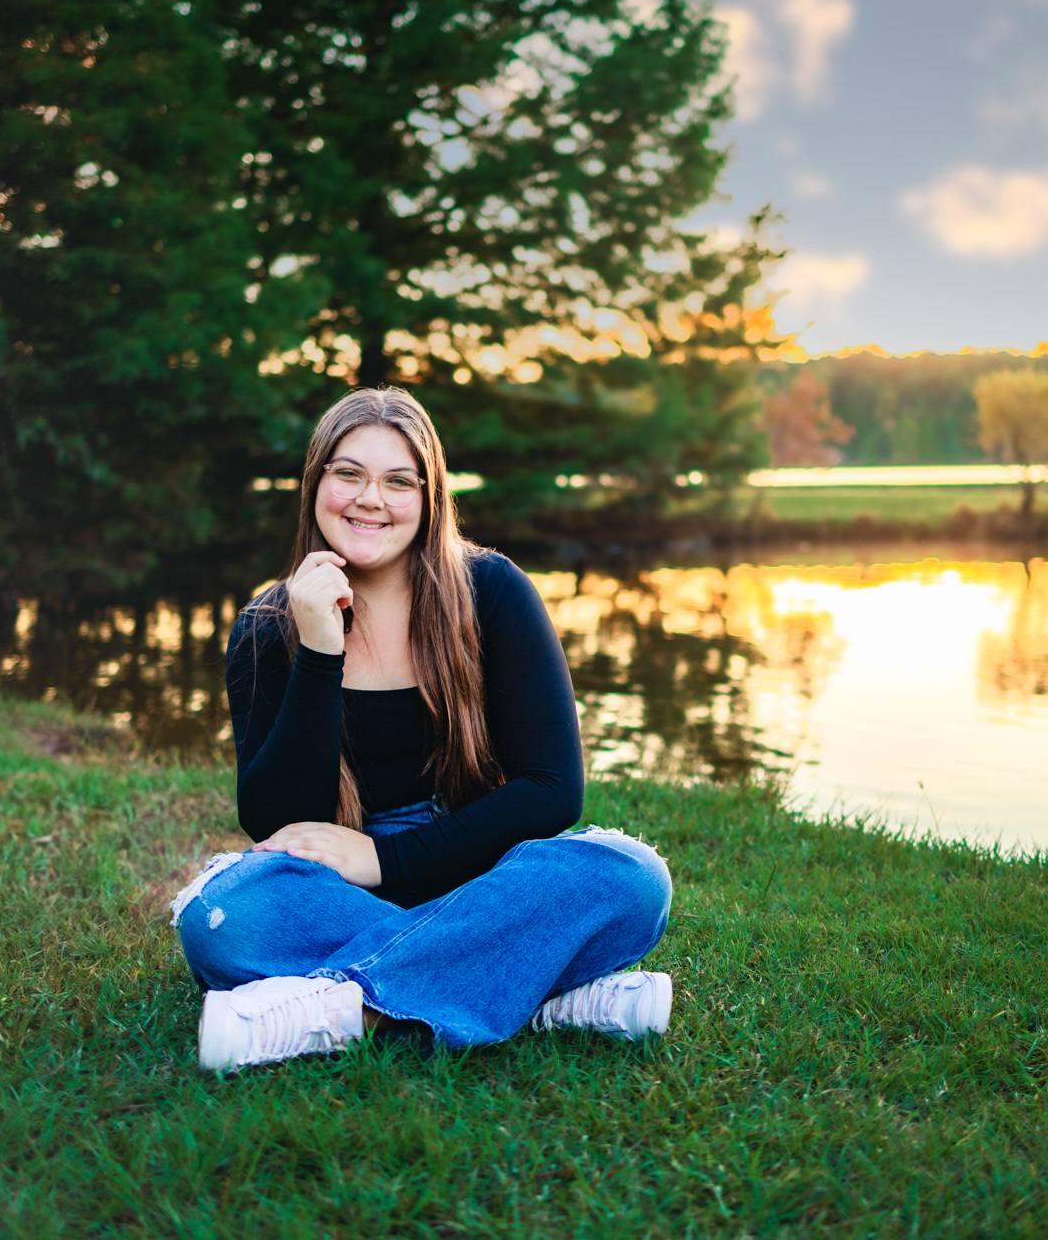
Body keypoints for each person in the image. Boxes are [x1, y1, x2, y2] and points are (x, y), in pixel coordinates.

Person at [172, 387, 675, 1069]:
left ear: (429, 498)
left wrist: (385, 860)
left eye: (398, 481)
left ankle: (344, 1009)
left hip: (476, 870)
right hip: (333, 892)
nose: (369, 499)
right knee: (225, 917)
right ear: (315, 483)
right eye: (347, 473)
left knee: (631, 878)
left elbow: (552, 789)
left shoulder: (491, 591)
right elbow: (275, 820)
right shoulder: (269, 624)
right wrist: (320, 647)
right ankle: (540, 995)